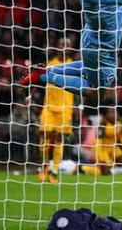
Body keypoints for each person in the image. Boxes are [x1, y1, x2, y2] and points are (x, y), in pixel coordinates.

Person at [37, 37, 79, 183]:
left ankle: (54, 171)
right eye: (61, 44)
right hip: (48, 107)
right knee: (44, 136)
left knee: (60, 139)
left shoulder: (74, 65)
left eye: (67, 45)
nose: (64, 47)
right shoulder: (50, 63)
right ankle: (44, 166)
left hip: (65, 108)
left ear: (70, 48)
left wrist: (78, 106)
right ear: (57, 46)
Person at [74, 102, 122, 176]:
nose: (113, 115)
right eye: (110, 113)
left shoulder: (120, 122)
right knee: (105, 171)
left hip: (113, 149)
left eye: (114, 112)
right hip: (102, 150)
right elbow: (98, 143)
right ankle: (82, 168)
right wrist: (101, 158)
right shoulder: (103, 125)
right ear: (106, 114)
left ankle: (111, 166)